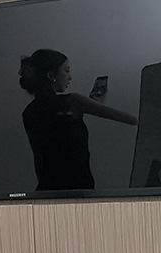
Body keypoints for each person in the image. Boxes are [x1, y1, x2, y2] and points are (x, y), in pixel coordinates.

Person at [19, 49, 138, 190]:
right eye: (66, 71)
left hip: (48, 189)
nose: (69, 77)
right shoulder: (73, 101)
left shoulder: (29, 112)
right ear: (51, 75)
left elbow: (38, 159)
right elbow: (129, 119)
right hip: (78, 188)